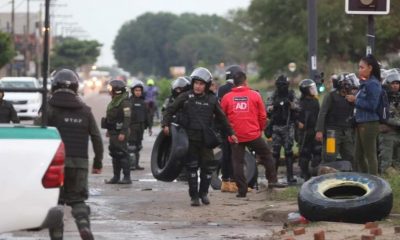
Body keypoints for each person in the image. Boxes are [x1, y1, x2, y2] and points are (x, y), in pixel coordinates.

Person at [162, 67, 237, 206]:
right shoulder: (185, 96)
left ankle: (204, 194)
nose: (198, 86)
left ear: (206, 85)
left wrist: (232, 133)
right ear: (192, 83)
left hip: (206, 140)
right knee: (191, 168)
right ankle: (194, 196)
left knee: (207, 168)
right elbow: (170, 109)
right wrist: (165, 124)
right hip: (189, 139)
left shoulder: (212, 99)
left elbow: (223, 119)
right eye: (196, 83)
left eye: (201, 84)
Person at [44, 69, 103, 240]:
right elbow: (97, 138)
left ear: (54, 85)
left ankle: (57, 237)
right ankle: (84, 227)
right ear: (76, 86)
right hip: (79, 163)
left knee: (55, 203)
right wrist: (97, 163)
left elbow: (37, 133)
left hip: (54, 163)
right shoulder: (85, 110)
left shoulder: (48, 108)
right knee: (78, 200)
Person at [220, 66, 280, 198]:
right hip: (253, 134)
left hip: (236, 136)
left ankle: (242, 191)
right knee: (267, 156)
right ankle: (272, 181)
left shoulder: (226, 97)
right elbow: (263, 116)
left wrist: (229, 132)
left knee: (238, 162)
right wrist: (259, 129)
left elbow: (222, 117)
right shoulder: (255, 95)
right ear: (245, 81)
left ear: (233, 83)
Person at [346, 54, 382, 175]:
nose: (359, 70)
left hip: (369, 123)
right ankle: (364, 179)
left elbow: (373, 105)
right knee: (358, 155)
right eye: (359, 67)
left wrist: (355, 100)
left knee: (370, 154)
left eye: (362, 67)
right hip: (361, 122)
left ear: (370, 68)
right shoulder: (366, 83)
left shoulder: (373, 83)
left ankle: (374, 183)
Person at [315, 73, 356, 167]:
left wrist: (355, 101)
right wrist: (319, 130)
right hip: (332, 133)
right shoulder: (331, 96)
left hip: (346, 132)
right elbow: (322, 113)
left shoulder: (351, 98)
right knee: (329, 157)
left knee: (350, 156)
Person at [267, 75, 298, 184]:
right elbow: (268, 108)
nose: (282, 87)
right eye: (280, 85)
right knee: (275, 153)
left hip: (288, 126)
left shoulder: (291, 94)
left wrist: (289, 104)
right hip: (276, 126)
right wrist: (273, 106)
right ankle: (273, 177)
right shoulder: (274, 95)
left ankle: (290, 177)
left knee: (288, 152)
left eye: (283, 85)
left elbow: (298, 107)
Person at [102, 80, 132, 184]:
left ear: (117, 91)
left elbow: (127, 118)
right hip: (113, 132)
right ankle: (116, 177)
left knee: (122, 153)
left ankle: (127, 177)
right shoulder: (115, 101)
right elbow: (111, 118)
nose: (109, 91)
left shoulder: (124, 102)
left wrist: (123, 133)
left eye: (111, 89)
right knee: (114, 154)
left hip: (120, 133)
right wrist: (108, 130)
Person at [217, 65, 239, 192]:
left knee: (226, 154)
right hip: (234, 126)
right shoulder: (236, 89)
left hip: (223, 126)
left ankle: (225, 182)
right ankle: (234, 182)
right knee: (235, 155)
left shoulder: (221, 89)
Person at [297, 79, 321, 180]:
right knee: (304, 154)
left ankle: (315, 172)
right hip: (305, 133)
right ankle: (305, 174)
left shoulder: (315, 101)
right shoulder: (300, 103)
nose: (313, 90)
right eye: (311, 88)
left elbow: (319, 115)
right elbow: (295, 116)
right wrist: (298, 123)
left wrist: (319, 129)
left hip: (314, 131)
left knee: (318, 151)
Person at [378, 68, 400, 175]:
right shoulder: (383, 97)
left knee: (398, 164)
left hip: (398, 134)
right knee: (386, 164)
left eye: (397, 83)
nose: (395, 85)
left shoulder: (398, 97)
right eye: (393, 83)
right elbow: (384, 116)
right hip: (387, 135)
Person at [128, 80, 152, 171]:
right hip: (132, 127)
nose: (138, 92)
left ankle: (136, 164)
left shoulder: (144, 103)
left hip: (141, 127)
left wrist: (149, 127)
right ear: (133, 91)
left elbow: (148, 116)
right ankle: (131, 164)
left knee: (138, 146)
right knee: (131, 147)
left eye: (139, 90)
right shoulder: (129, 102)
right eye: (136, 90)